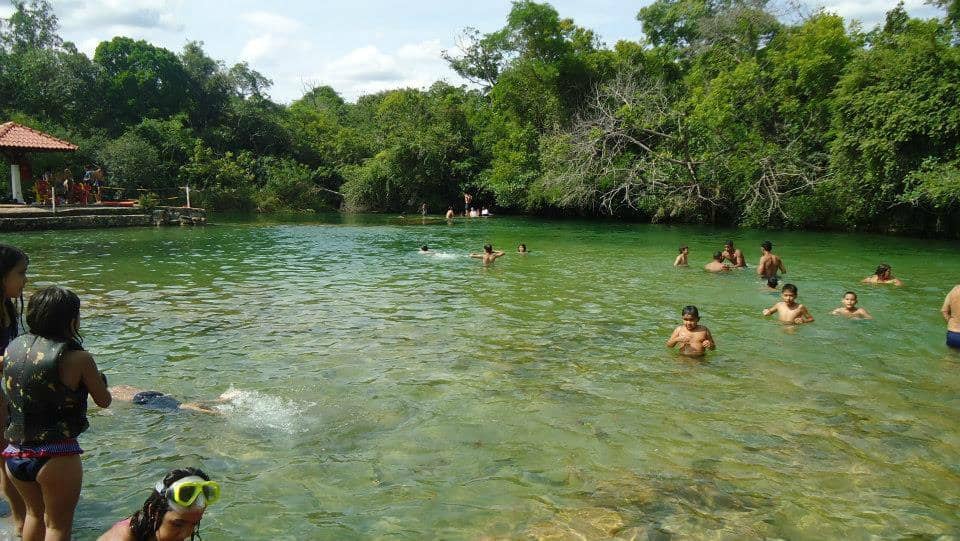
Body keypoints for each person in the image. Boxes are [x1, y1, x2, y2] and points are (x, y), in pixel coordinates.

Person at [0, 286, 112, 541]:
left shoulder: (13, 347)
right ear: (72, 320)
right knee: (57, 526)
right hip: (56, 455)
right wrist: (98, 382)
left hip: (15, 454)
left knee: (34, 516)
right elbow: (104, 401)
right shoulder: (79, 358)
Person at [97, 468, 219, 541]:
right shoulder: (121, 538)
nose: (186, 534)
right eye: (177, 524)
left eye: (194, 523)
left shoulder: (163, 533)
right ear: (153, 511)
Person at [0, 245, 28, 534]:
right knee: (6, 456)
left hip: (4, 392)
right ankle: (21, 520)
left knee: (7, 455)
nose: (25, 280)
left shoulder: (8, 307)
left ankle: (21, 517)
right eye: (20, 273)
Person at [109, 385, 225, 415]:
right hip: (152, 392)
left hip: (141, 399)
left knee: (180, 406)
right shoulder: (121, 386)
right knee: (179, 403)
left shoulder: (109, 393)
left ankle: (216, 412)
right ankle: (217, 400)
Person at [941, 284, 960, 349]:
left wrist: (951, 323)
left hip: (953, 334)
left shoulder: (954, 290)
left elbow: (944, 311)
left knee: (951, 355)